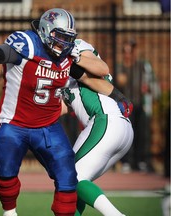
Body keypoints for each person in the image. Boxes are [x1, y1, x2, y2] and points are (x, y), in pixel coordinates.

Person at [0, 8, 133, 216]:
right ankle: (9, 213)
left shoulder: (66, 58)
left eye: (68, 38)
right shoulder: (27, 44)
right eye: (60, 36)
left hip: (48, 126)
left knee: (69, 178)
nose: (63, 43)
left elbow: (88, 78)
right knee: (5, 173)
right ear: (46, 30)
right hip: (15, 123)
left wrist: (119, 96)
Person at [61, 39, 134, 216]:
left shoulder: (76, 47)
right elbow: (61, 107)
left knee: (72, 178)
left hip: (106, 120)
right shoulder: (54, 68)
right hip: (114, 126)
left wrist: (73, 58)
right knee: (69, 190)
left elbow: (102, 69)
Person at [116, 39, 161, 173]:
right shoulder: (120, 67)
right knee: (127, 133)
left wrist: (149, 89)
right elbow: (114, 85)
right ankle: (127, 162)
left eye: (130, 51)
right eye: (125, 51)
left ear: (135, 52)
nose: (128, 55)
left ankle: (142, 161)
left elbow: (152, 83)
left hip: (140, 103)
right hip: (126, 105)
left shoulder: (142, 66)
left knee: (142, 133)